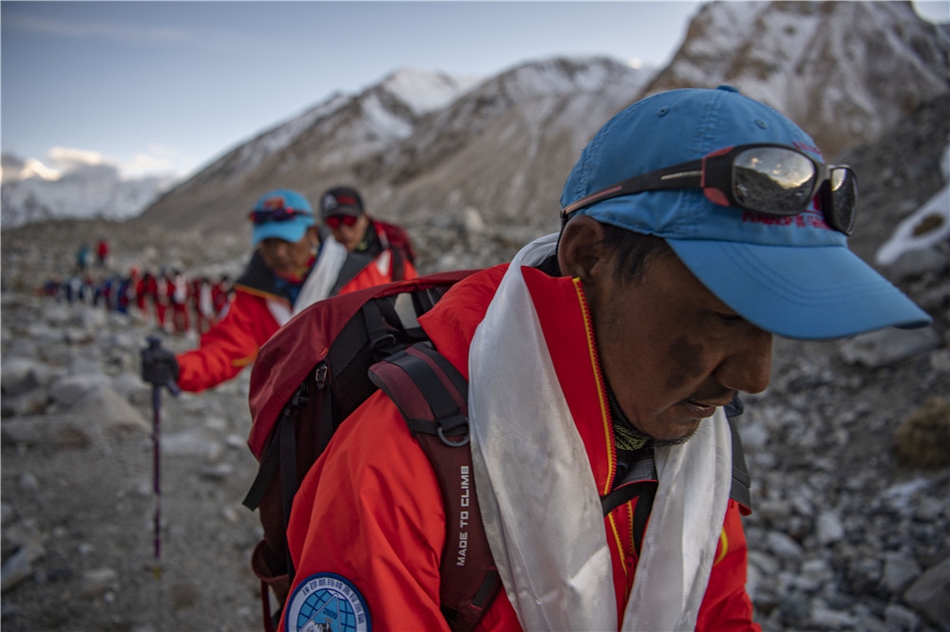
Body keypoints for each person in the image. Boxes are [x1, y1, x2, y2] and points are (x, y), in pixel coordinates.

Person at [278, 87, 932, 632]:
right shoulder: (396, 472)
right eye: (725, 317)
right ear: (587, 256)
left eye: (774, 326)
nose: (751, 380)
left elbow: (719, 612)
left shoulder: (696, 438)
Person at [145, 188, 406, 393]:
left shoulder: (360, 274)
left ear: (312, 234)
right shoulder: (253, 295)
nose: (279, 252)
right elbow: (227, 349)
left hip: (358, 402)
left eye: (287, 241)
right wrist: (179, 368)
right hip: (292, 413)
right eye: (268, 243)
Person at [319, 185, 418, 294]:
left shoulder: (392, 256)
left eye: (350, 220)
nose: (343, 229)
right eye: (333, 222)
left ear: (365, 218)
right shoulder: (316, 263)